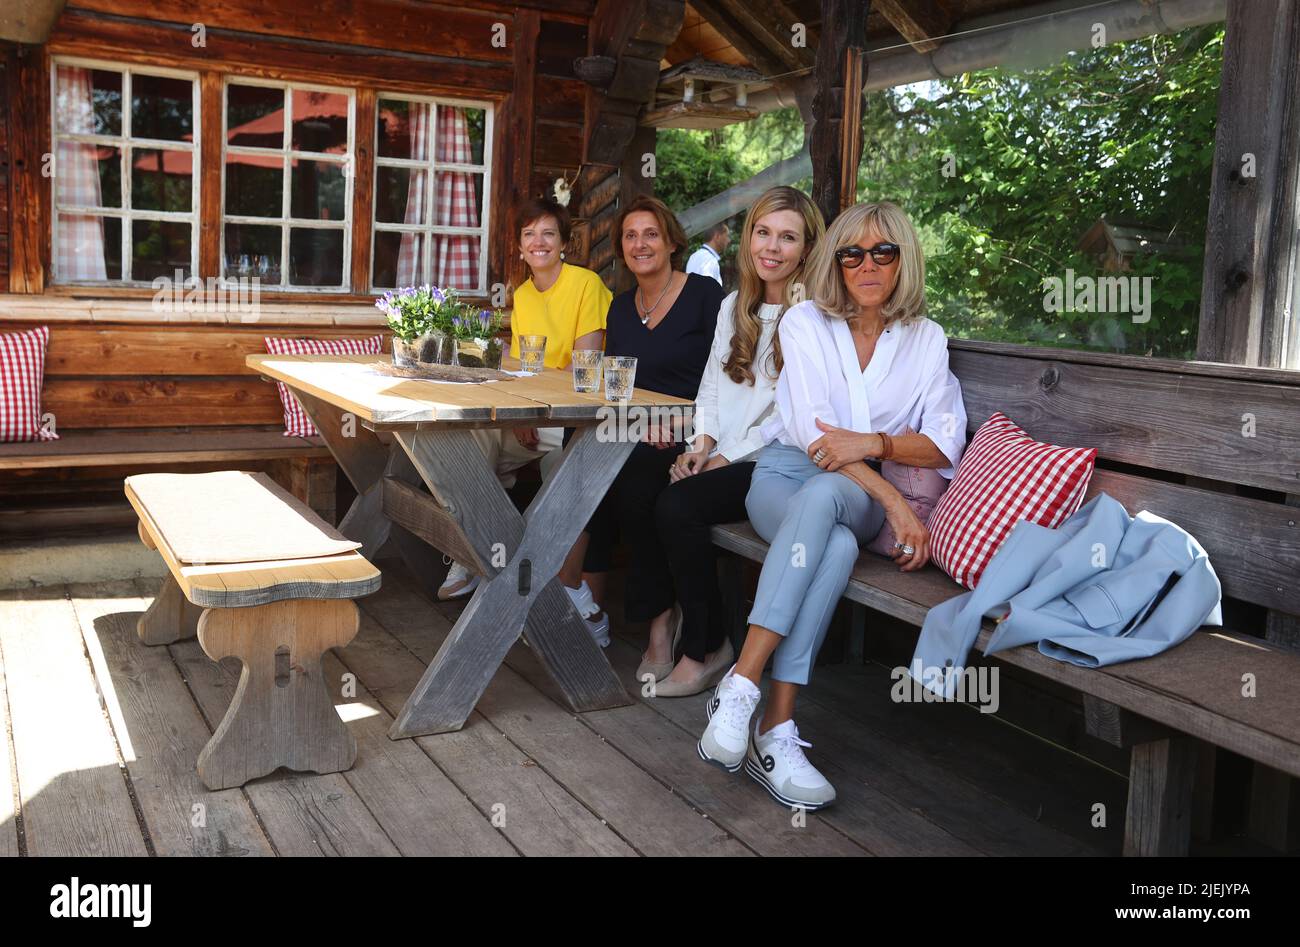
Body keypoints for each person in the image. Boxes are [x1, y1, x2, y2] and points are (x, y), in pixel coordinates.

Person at [697, 201, 968, 810]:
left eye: (882, 252)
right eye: (851, 253)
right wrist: (896, 501)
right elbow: (811, 437)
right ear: (836, 262)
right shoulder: (805, 323)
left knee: (828, 501)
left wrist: (876, 445)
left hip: (855, 487)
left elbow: (943, 441)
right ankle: (777, 725)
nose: (865, 265)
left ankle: (740, 683)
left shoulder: (926, 340)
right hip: (782, 476)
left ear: (904, 259)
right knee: (836, 541)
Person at [648, 186, 825, 695]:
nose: (772, 247)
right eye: (763, 233)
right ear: (748, 240)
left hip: (776, 462)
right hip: (723, 452)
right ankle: (674, 632)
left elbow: (788, 416)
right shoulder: (733, 307)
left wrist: (727, 456)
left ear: (807, 248)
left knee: (677, 507)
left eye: (788, 237)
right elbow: (709, 386)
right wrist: (701, 444)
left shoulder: (812, 319)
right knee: (654, 487)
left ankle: (705, 649)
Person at [556, 195, 725, 648]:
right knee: (578, 458)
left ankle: (660, 620)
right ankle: (583, 601)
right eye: (630, 236)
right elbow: (616, 387)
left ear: (671, 241)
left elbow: (725, 377)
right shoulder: (620, 307)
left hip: (691, 431)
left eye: (651, 234)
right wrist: (634, 423)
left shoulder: (705, 296)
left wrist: (681, 426)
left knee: (633, 481)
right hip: (634, 427)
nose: (640, 244)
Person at [438, 198, 611, 607]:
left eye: (548, 233)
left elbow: (585, 372)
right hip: (531, 415)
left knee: (559, 473)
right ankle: (474, 552)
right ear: (519, 247)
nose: (539, 242)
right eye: (529, 234)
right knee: (466, 438)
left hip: (572, 418)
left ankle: (512, 571)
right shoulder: (525, 296)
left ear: (564, 242)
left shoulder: (586, 285)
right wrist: (519, 409)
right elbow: (518, 369)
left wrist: (531, 406)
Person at [685, 222, 728, 288]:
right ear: (717, 236)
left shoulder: (694, 256)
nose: (728, 240)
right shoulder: (709, 260)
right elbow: (708, 290)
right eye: (726, 236)